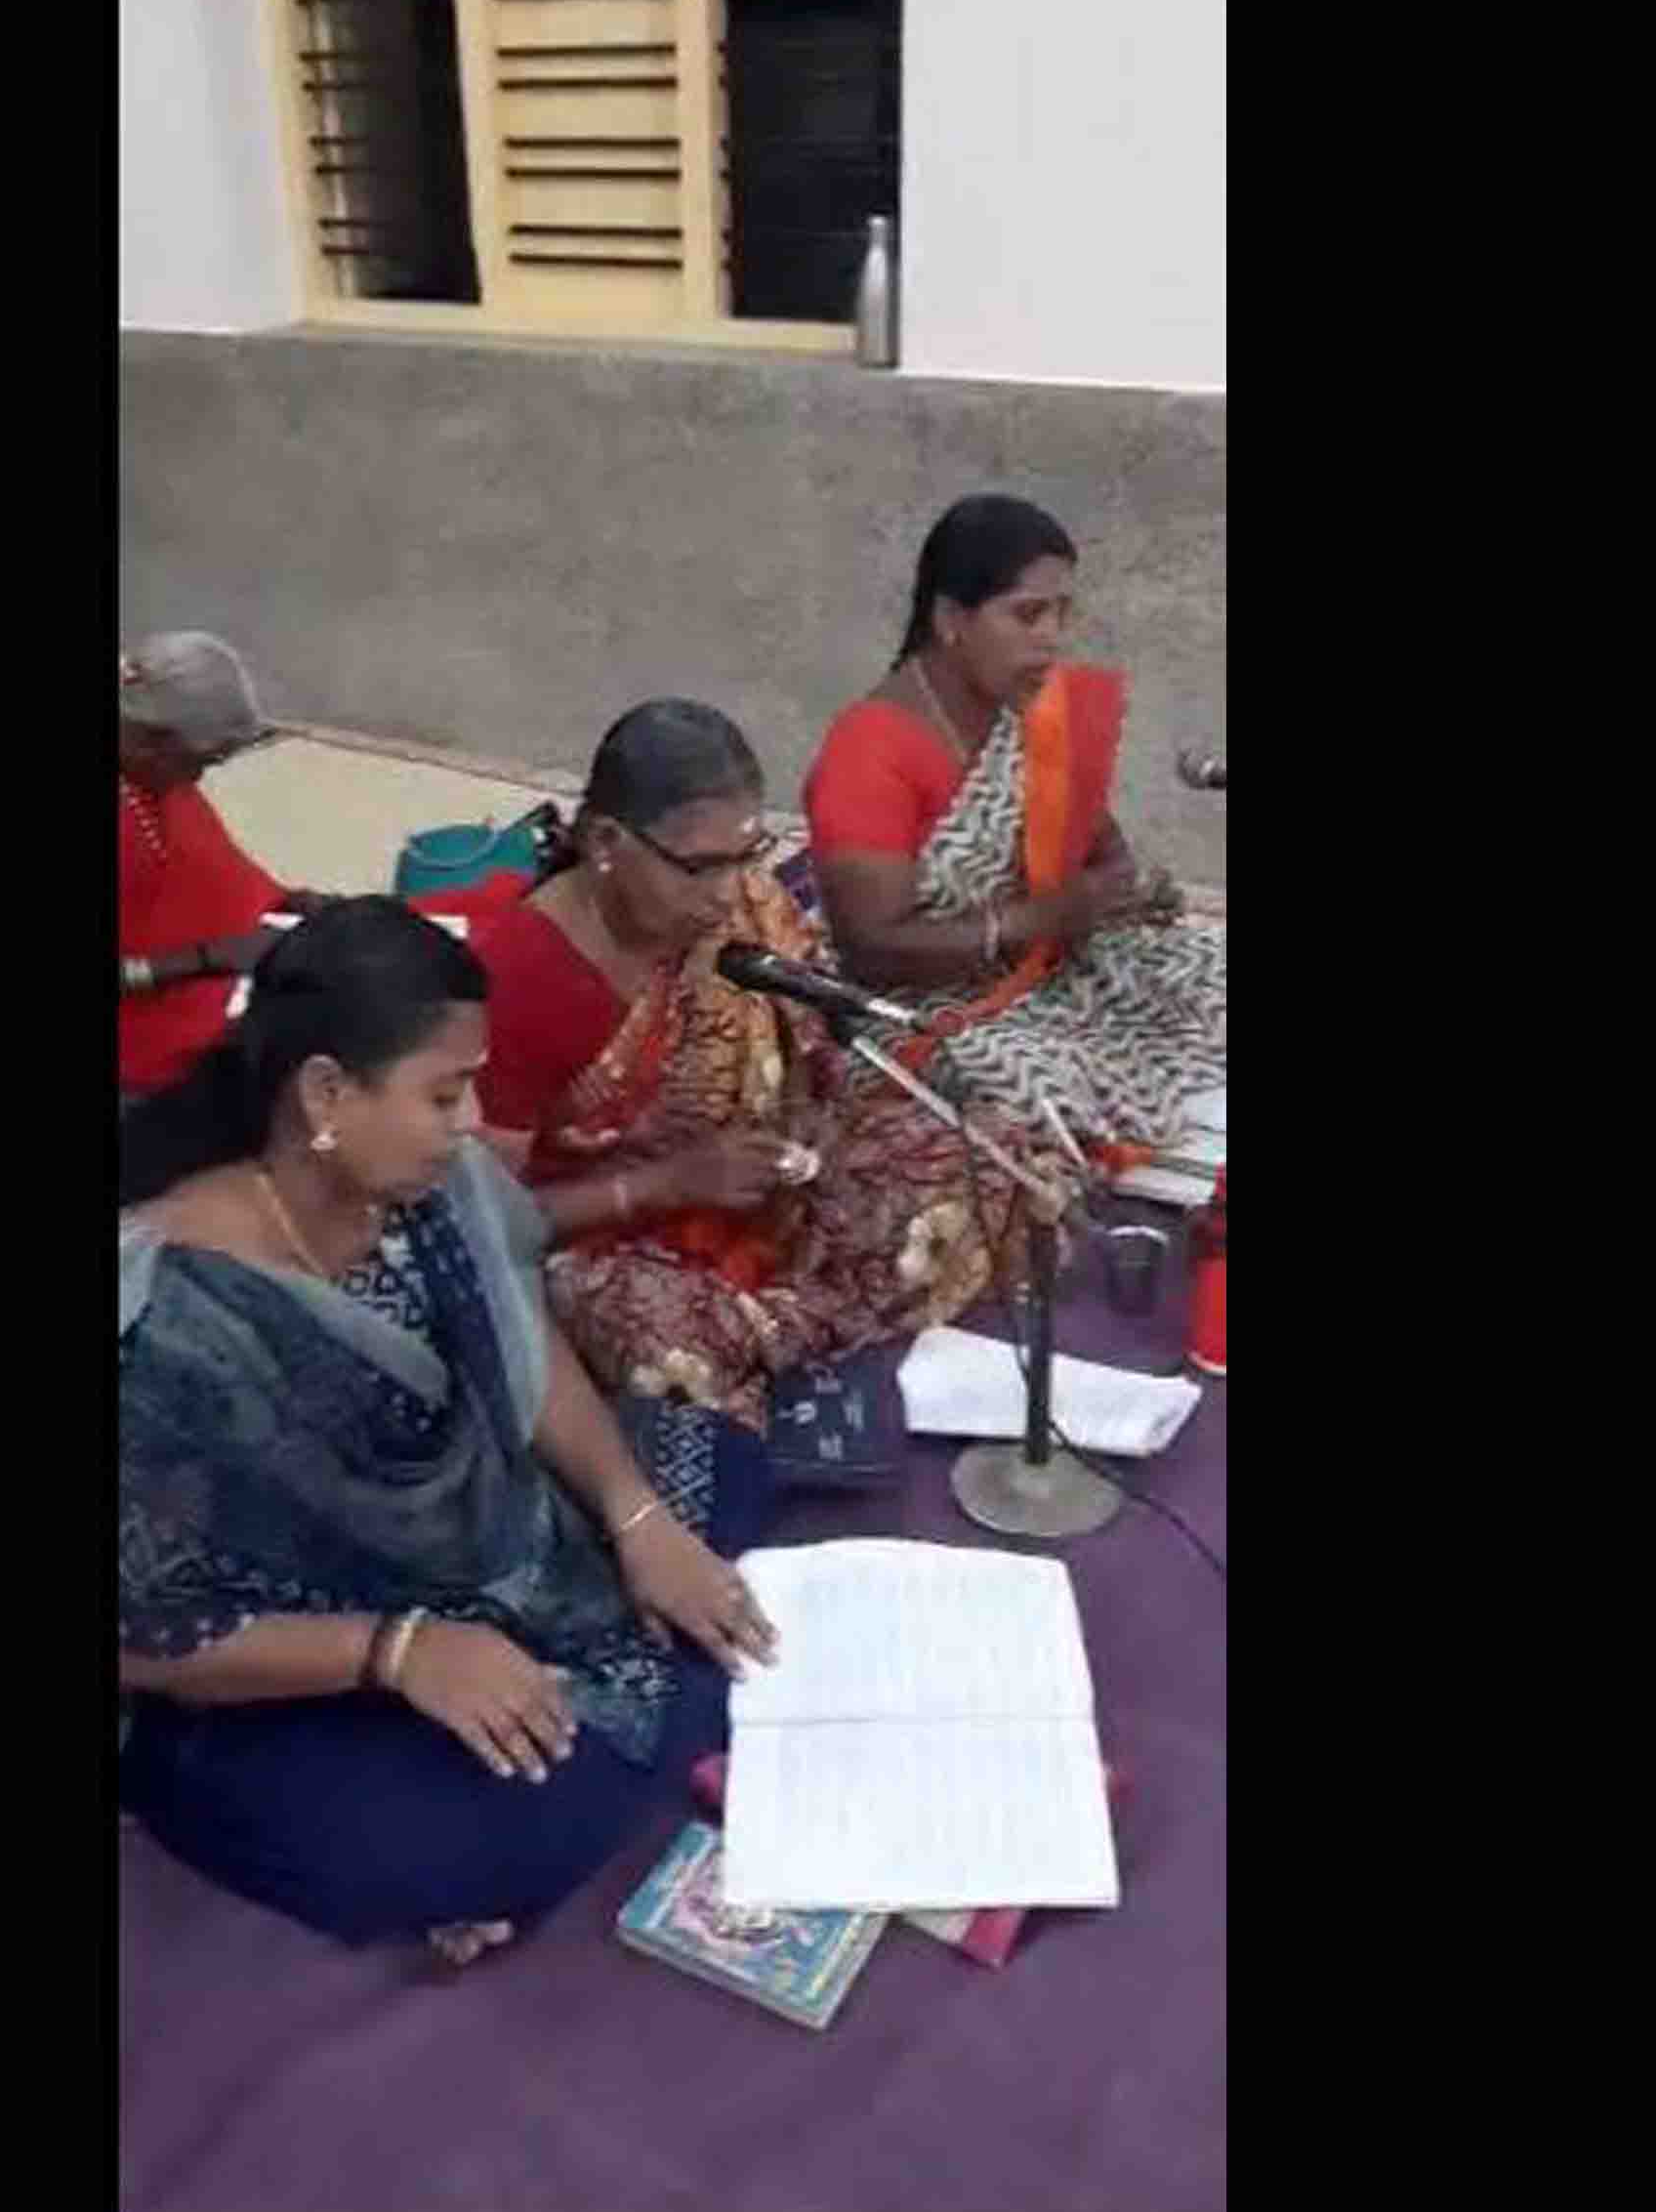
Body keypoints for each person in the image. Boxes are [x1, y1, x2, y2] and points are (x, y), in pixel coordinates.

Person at [118, 897, 781, 1965]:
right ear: (326, 1093)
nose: (471, 1119)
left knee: (720, 1469)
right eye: (444, 1093)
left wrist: (636, 1516)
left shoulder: (421, 1172)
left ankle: (587, 1678)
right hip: (279, 1646)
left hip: (488, 1536)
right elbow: (143, 1629)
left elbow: (521, 1343)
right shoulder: (171, 1315)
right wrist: (400, 1650)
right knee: (469, 1835)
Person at [462, 700, 1049, 1435]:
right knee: (665, 1348)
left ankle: (775, 1339)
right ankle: (778, 1343)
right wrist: (669, 1182)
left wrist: (804, 1142)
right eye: (700, 867)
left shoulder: (736, 904)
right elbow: (483, 1217)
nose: (727, 890)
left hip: (757, 1185)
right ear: (606, 842)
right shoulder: (520, 977)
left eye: (749, 853)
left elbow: (817, 1062)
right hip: (608, 1240)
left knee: (993, 1155)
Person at [802, 495, 1228, 1151]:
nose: (1051, 636)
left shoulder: (1023, 718)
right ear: (951, 619)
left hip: (1049, 968)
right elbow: (871, 949)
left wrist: (1117, 893)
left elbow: (1104, 853)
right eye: (1028, 614)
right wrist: (1037, 919)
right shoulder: (869, 750)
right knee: (1028, 1088)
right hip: (922, 1004)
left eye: (1061, 613)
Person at [118, 630, 311, 1096]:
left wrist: (288, 899)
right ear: (150, 741)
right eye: (200, 760)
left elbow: (209, 866)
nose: (200, 777)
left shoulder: (152, 777)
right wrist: (207, 959)